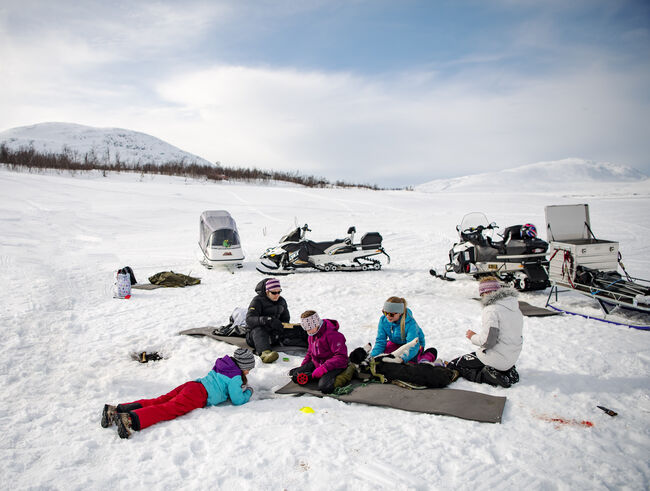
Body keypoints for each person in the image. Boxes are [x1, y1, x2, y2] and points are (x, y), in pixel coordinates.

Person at [101, 348, 255, 439]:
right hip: (199, 395)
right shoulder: (235, 377)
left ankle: (117, 409)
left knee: (160, 400)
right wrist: (248, 392)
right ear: (242, 365)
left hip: (193, 385)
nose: (249, 372)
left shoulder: (225, 366)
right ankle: (130, 419)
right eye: (249, 368)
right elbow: (237, 400)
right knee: (168, 409)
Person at [447, 277, 522, 388]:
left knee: (455, 364)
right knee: (477, 361)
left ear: (486, 292)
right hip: (512, 356)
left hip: (496, 357)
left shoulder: (492, 310)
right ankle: (507, 372)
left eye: (482, 294)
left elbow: (488, 341)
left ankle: (488, 376)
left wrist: (472, 336)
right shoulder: (515, 307)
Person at [289, 310, 352, 394]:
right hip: (318, 363)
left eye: (310, 328)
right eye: (306, 329)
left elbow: (341, 357)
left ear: (317, 324)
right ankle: (314, 375)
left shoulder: (333, 335)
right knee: (296, 375)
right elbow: (310, 352)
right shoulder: (312, 335)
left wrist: (323, 368)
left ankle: (345, 373)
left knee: (325, 387)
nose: (308, 332)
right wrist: (304, 366)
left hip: (334, 365)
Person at [245, 278, 306, 363]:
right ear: (267, 292)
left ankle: (313, 343)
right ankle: (265, 354)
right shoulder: (257, 301)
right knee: (259, 330)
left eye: (279, 292)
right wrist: (267, 320)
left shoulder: (281, 301)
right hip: (255, 335)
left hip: (274, 332)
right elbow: (249, 319)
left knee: (299, 328)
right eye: (274, 292)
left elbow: (285, 318)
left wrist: (283, 326)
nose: (277, 295)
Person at [370, 296, 436, 364]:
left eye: (391, 314)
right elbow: (380, 341)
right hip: (395, 343)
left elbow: (413, 345)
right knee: (385, 356)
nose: (387, 316)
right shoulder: (383, 320)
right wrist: (372, 357)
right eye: (385, 312)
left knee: (409, 362)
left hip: (413, 346)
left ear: (400, 312)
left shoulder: (410, 323)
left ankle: (424, 358)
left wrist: (401, 359)